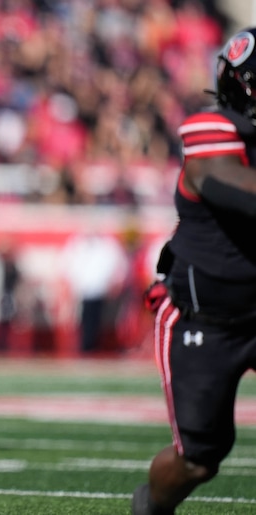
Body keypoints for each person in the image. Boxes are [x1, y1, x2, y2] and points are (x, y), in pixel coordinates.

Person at [132, 27, 256, 514]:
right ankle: (152, 507)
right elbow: (225, 183)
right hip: (202, 318)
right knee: (201, 458)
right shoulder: (213, 125)